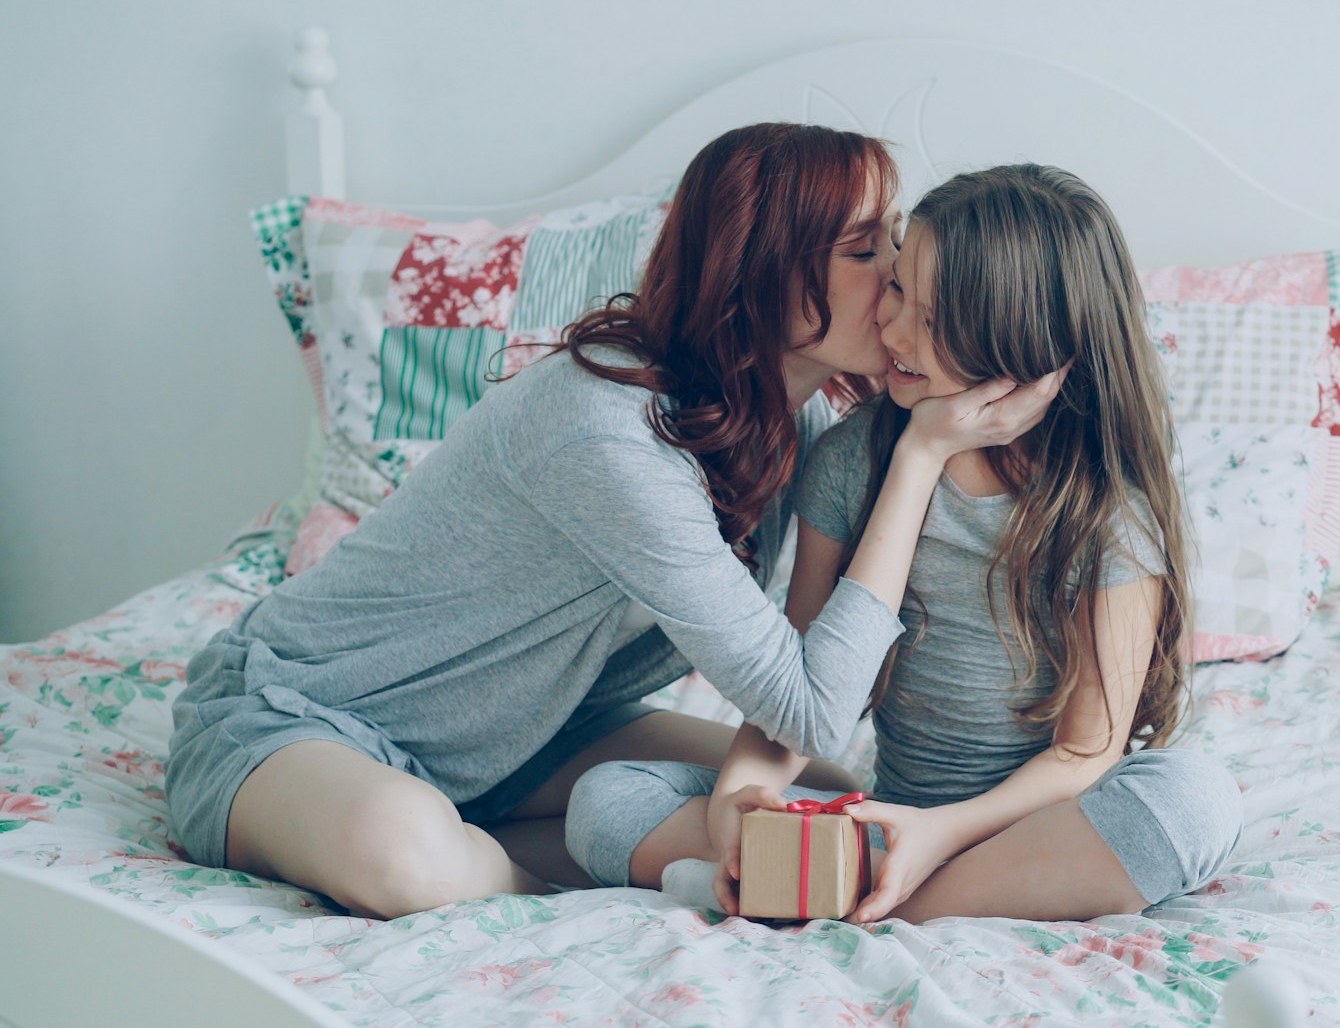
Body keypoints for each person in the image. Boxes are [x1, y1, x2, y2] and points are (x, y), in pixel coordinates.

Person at [165, 124, 1060, 920]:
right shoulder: (606, 427)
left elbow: (810, 732)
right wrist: (918, 459)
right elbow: (813, 704)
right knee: (404, 857)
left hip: (525, 737)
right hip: (308, 716)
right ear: (760, 269)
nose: (902, 276)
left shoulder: (804, 426)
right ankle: (542, 884)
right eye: (866, 250)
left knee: (823, 799)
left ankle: (500, 840)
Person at [565, 164, 1242, 924]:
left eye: (932, 317)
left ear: (1022, 340)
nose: (892, 331)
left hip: (1029, 829)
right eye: (896, 290)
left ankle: (849, 894)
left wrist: (939, 833)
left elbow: (1086, 754)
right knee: (606, 800)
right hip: (892, 813)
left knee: (1190, 803)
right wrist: (734, 802)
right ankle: (858, 884)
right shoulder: (855, 458)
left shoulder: (1105, 510)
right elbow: (799, 689)